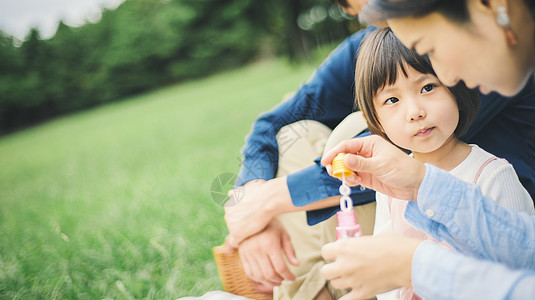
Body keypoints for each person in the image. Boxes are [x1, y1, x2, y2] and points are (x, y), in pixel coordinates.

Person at [224, 1, 535, 298]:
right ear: (347, 8)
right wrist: (250, 206)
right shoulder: (366, 48)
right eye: (391, 99)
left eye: (430, 83)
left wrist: (272, 200)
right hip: (420, 212)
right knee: (298, 134)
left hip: (489, 218)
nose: (449, 77)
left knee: (348, 130)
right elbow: (273, 123)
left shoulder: (476, 52)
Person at [319, 0, 535, 298]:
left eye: (430, 48)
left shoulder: (493, 174)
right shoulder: (394, 186)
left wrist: (416, 268)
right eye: (392, 100)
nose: (448, 77)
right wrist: (422, 184)